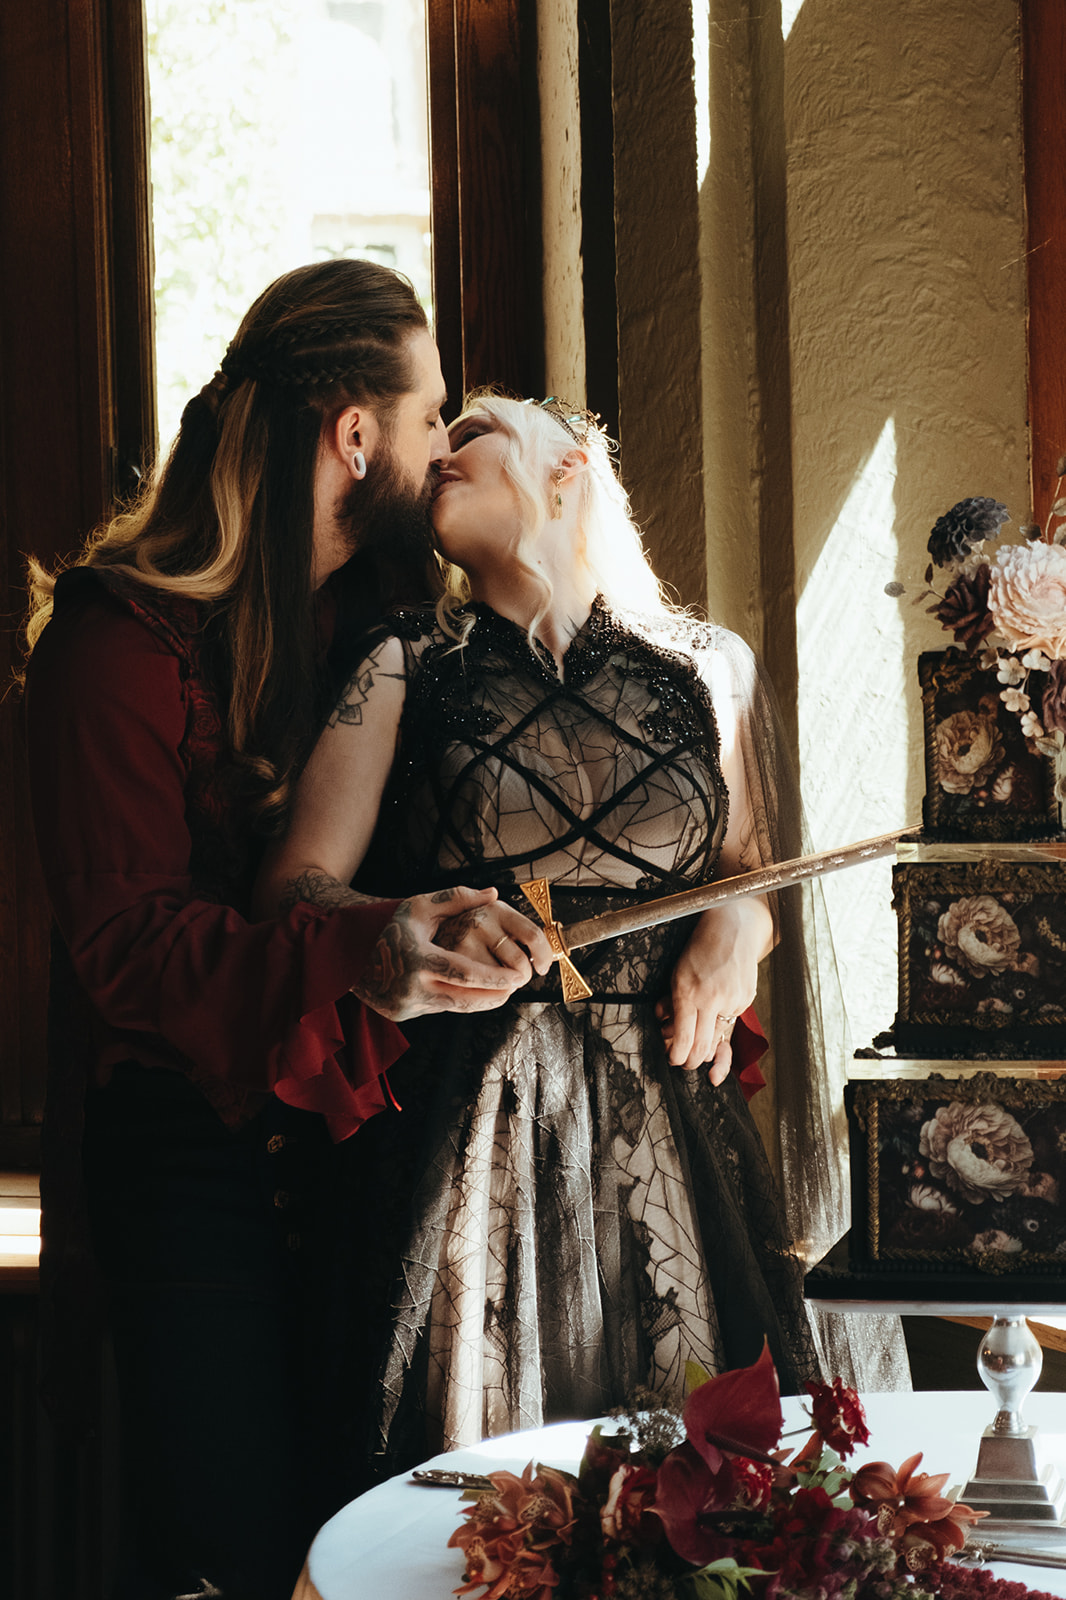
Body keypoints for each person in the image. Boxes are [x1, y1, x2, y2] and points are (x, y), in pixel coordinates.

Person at [258, 391, 909, 1486]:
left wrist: (737, 922)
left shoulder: (713, 666)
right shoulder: (401, 661)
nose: (442, 453)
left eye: (475, 433)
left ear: (566, 470)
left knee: (706, 1486)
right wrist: (395, 932)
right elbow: (292, 888)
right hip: (470, 1122)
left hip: (672, 1114)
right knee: (482, 1494)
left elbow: (752, 873)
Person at [21, 264, 552, 1600]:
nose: (445, 441)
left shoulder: (385, 630)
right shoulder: (111, 644)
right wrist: (358, 952)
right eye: (428, 410)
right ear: (351, 435)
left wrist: (731, 928)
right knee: (248, 1555)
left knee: (395, 1531)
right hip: (189, 1157)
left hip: (376, 1143)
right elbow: (125, 948)